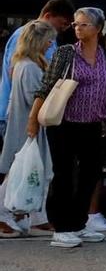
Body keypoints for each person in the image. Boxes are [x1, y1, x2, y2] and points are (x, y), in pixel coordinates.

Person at [32, 6, 106, 247]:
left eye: (84, 24)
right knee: (63, 173)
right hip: (65, 123)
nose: (78, 29)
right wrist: (33, 120)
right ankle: (61, 226)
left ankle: (78, 222)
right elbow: (46, 86)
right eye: (75, 24)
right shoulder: (66, 53)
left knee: (90, 175)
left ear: (99, 29)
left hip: (95, 123)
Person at [2, 20, 58, 237]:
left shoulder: (23, 64)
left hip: (24, 125)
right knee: (22, 171)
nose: (50, 44)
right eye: (47, 40)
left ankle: (33, 215)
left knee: (27, 171)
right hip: (28, 127)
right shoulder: (30, 67)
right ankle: (6, 213)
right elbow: (35, 97)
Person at [0, 0, 75, 144]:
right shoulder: (26, 36)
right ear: (48, 16)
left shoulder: (46, 41)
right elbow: (16, 74)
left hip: (26, 114)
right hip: (19, 115)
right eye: (63, 23)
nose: (64, 28)